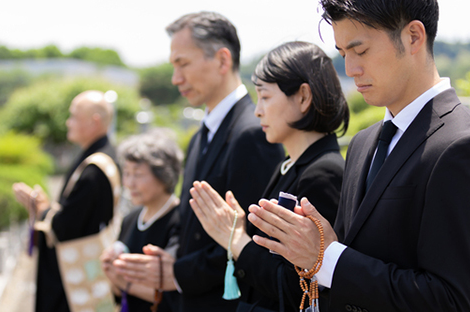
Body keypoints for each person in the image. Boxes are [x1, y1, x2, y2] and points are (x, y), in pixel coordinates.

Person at [248, 1, 470, 311]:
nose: (349, 69)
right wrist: (315, 253)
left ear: (413, 36)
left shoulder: (464, 146)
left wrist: (327, 257)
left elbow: (449, 301)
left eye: (360, 51)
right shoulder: (362, 143)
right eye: (343, 54)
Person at [113, 11, 285, 312]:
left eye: (183, 64)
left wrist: (176, 272)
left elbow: (252, 240)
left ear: (222, 60)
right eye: (174, 66)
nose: (175, 78)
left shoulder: (253, 133)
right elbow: (187, 221)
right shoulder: (199, 136)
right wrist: (166, 259)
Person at [188, 41, 349, 311]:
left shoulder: (323, 172)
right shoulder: (290, 164)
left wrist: (237, 241)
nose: (257, 110)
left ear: (302, 97)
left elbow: (302, 288)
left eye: (264, 96)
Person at [13, 90, 119, 312]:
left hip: (73, 278)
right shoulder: (103, 156)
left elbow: (65, 227)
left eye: (74, 117)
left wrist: (42, 208)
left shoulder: (94, 170)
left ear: (94, 121)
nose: (68, 122)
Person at [100, 129, 183, 312]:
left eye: (137, 174)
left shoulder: (180, 220)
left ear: (164, 175)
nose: (129, 183)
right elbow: (117, 291)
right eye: (127, 173)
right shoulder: (131, 218)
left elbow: (173, 291)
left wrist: (124, 283)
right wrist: (110, 269)